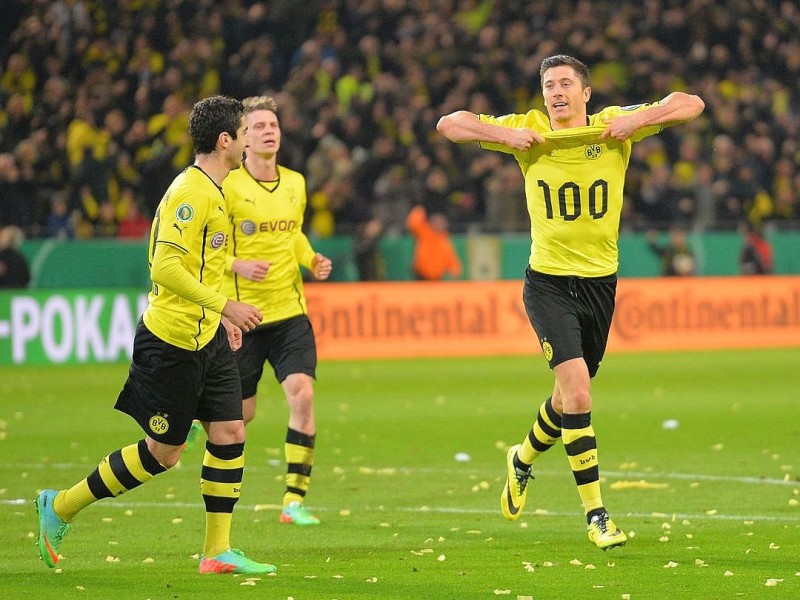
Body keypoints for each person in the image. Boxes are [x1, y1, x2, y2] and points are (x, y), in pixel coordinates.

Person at [437, 54, 704, 549]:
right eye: (548, 85)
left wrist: (637, 120)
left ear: (585, 92)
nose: (555, 92)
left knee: (566, 398)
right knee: (578, 392)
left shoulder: (611, 126)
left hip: (601, 284)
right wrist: (505, 137)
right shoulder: (530, 129)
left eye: (565, 83)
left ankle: (521, 459)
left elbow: (691, 103)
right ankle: (597, 516)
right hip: (549, 282)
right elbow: (449, 123)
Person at [34, 95, 276, 575]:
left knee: (230, 431)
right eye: (246, 131)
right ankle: (60, 505)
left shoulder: (217, 189)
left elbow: (203, 263)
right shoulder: (192, 192)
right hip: (170, 344)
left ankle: (216, 553)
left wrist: (222, 318)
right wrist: (226, 305)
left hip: (205, 338)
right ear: (226, 140)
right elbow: (166, 268)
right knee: (164, 454)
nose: (251, 139)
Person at [190, 95, 332, 526]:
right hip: (244, 318)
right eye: (259, 126)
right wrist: (237, 264)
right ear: (242, 139)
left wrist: (310, 259)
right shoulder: (227, 186)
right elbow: (210, 247)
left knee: (302, 395)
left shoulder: (296, 182)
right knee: (241, 414)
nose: (270, 130)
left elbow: (294, 235)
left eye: (274, 124)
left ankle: (294, 501)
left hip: (289, 312)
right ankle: (195, 415)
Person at [406, 204, 463, 281]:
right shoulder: (424, 232)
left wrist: (454, 271)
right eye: (436, 222)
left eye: (441, 222)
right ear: (431, 223)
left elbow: (452, 260)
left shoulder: (445, 241)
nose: (439, 225)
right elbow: (413, 223)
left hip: (436, 279)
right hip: (420, 276)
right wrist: (420, 208)